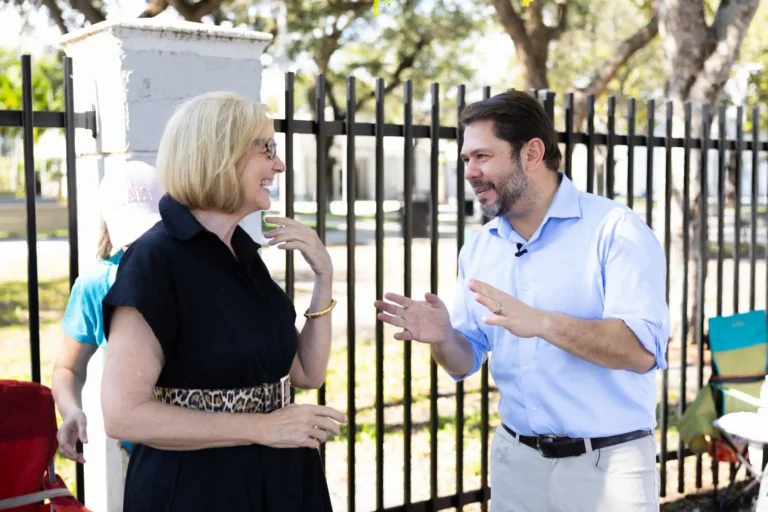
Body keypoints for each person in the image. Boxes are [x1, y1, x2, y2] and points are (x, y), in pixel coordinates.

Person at [375, 90, 670, 512]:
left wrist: (543, 323)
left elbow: (641, 351)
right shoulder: (480, 248)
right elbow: (465, 359)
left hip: (607, 470)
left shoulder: (615, 230)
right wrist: (443, 338)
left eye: (483, 157)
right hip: (516, 466)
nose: (471, 172)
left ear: (532, 153)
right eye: (466, 160)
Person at [99, 91, 346, 512]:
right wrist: (263, 428)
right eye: (267, 148)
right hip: (200, 490)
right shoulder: (157, 258)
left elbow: (306, 372)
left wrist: (324, 278)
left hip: (283, 480)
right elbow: (123, 415)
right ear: (221, 151)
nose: (279, 164)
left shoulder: (243, 253)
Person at [53, 160, 163, 468]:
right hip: (142, 451)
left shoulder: (196, 269)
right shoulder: (95, 283)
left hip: (209, 444)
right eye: (130, 235)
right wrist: (71, 408)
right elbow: (67, 368)